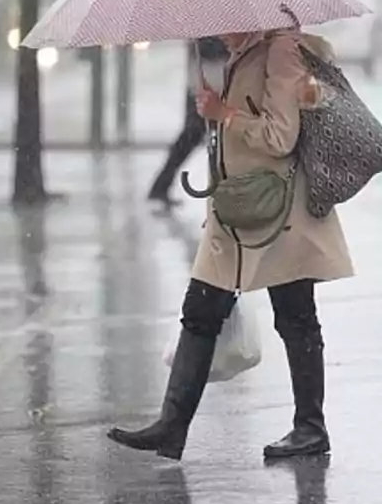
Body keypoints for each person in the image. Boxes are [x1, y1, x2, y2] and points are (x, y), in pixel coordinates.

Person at [109, 28, 354, 461]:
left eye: (225, 24)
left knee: (295, 316)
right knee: (200, 312)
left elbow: (281, 136)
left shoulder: (279, 52)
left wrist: (224, 113)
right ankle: (172, 426)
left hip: (280, 212)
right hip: (239, 209)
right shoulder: (241, 53)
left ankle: (311, 428)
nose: (218, 33)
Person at [147, 37, 230, 206]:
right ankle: (160, 186)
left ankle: (161, 186)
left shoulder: (203, 28)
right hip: (207, 87)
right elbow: (210, 51)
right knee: (191, 137)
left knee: (193, 138)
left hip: (206, 85)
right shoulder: (209, 30)